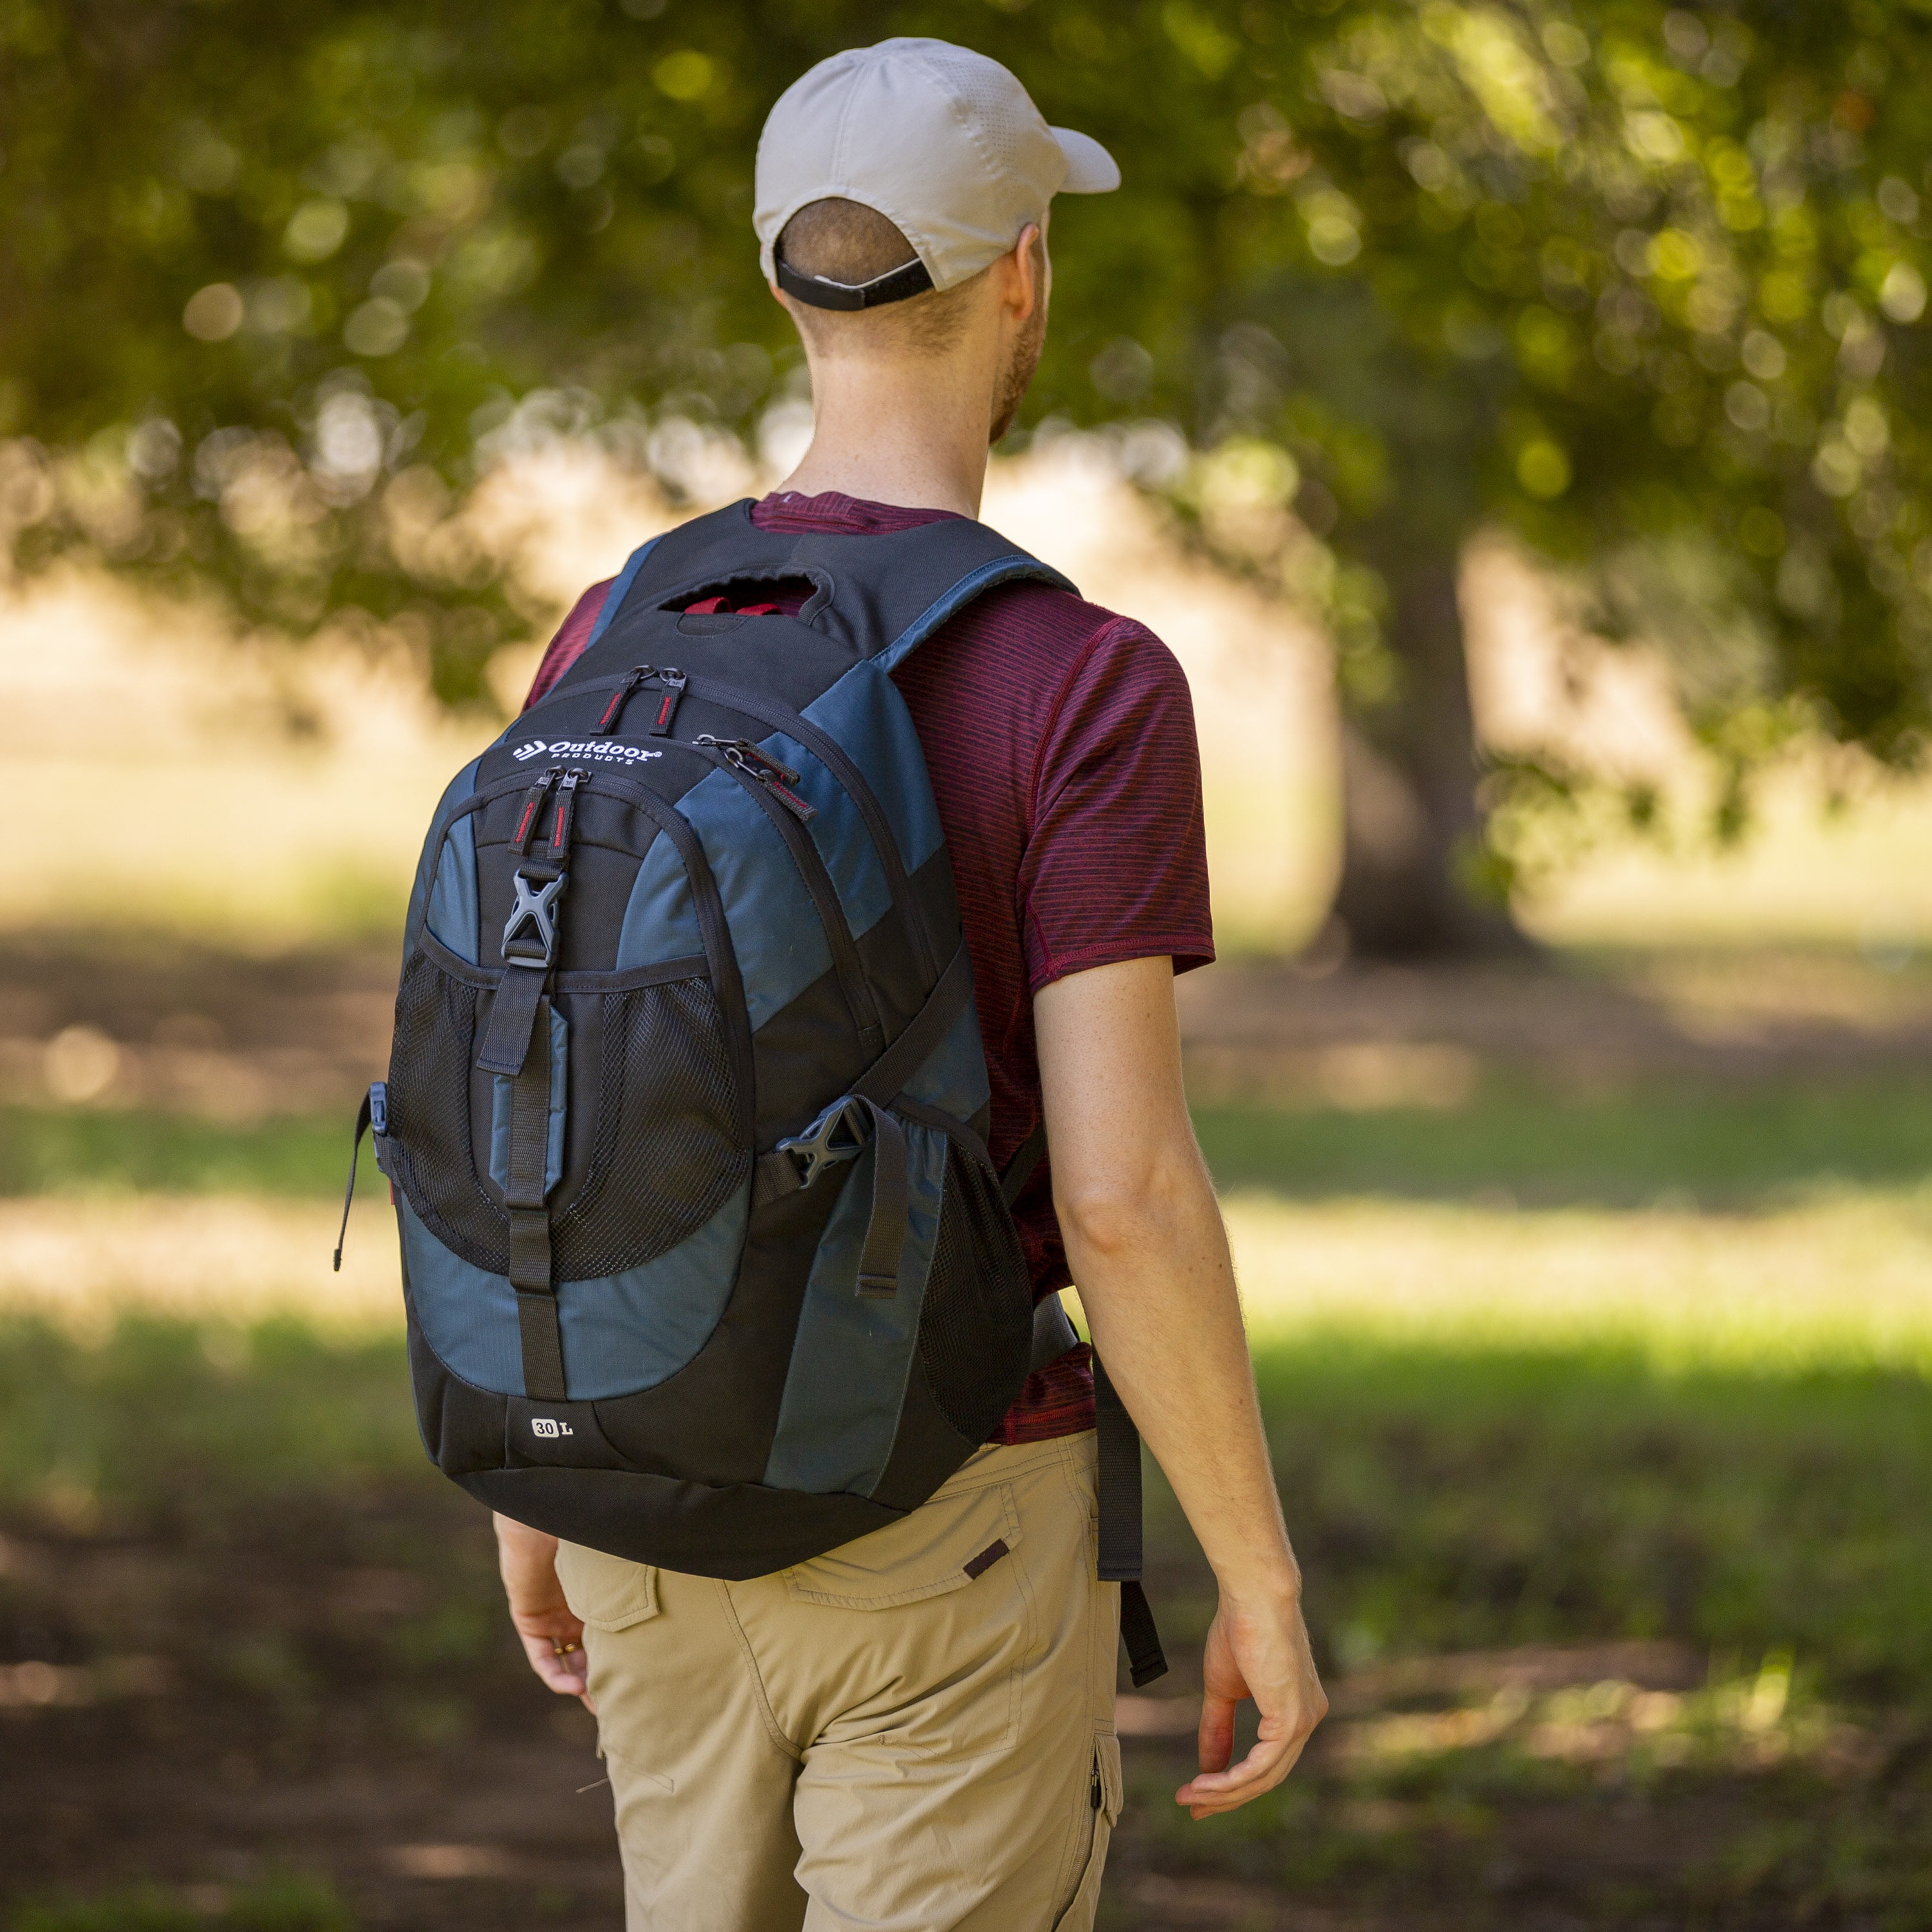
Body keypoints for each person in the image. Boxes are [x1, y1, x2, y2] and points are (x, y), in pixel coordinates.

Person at [490, 37, 1325, 1931]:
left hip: (639, 1494)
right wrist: (1255, 1569)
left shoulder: (613, 632)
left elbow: (550, 1081)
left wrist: (532, 1485)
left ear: (779, 274)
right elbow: (1118, 1193)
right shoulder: (1081, 683)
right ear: (1024, 268)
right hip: (947, 1512)